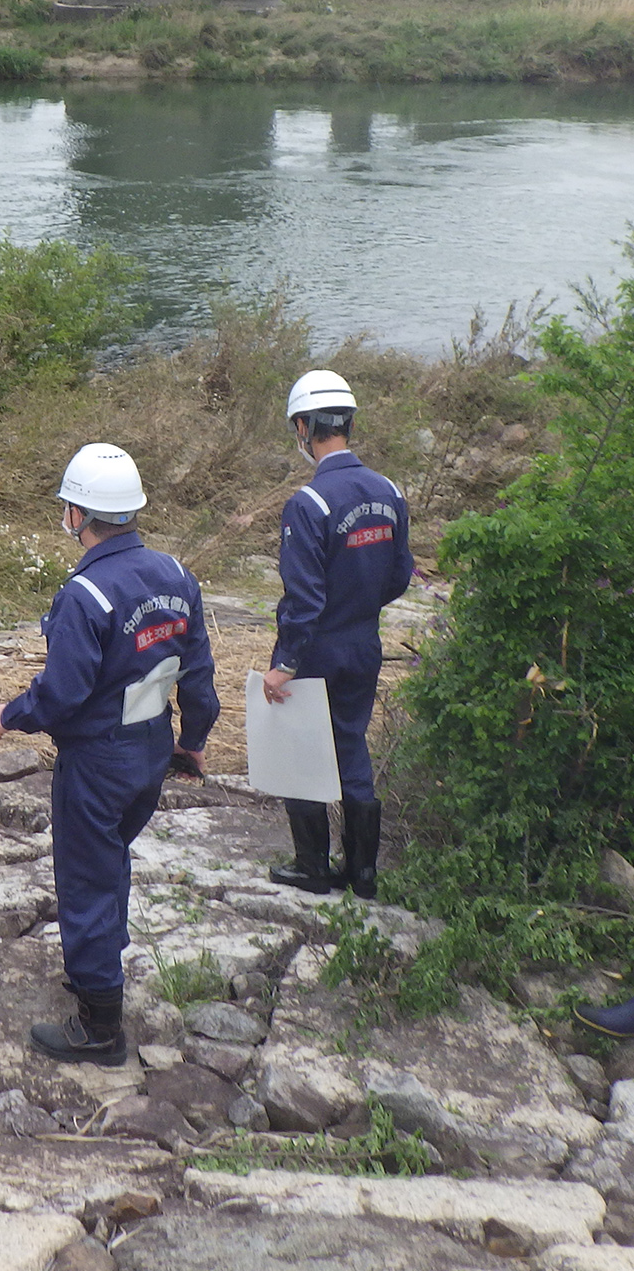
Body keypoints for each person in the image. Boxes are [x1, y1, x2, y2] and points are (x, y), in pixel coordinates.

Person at [0, 444, 219, 1067]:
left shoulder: (86, 594)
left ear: (77, 513)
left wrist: (10, 715)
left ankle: (99, 1026)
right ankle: (102, 968)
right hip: (149, 752)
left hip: (97, 760)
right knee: (112, 860)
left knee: (87, 877)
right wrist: (192, 741)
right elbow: (198, 677)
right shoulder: (177, 576)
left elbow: (61, 694)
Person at [265, 370, 414, 901]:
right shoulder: (388, 490)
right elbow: (399, 576)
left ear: (304, 427)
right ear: (348, 423)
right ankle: (363, 873)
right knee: (350, 744)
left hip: (317, 650)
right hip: (365, 643)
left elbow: (303, 599)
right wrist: (359, 605)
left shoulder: (309, 503)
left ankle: (313, 868)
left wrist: (285, 661)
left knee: (301, 750)